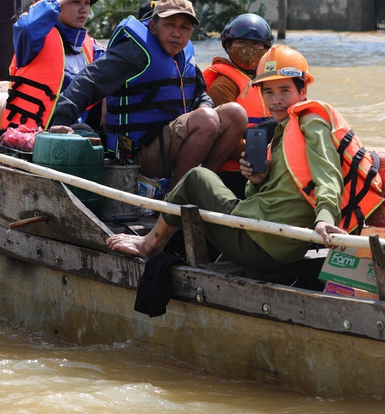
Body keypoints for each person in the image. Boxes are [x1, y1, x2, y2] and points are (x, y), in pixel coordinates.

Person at [106, 45, 349, 275]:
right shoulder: (283, 130)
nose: (276, 100)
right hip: (271, 237)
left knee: (195, 178)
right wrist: (257, 179)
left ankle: (150, 245)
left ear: (303, 91)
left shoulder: (312, 123)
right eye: (269, 92)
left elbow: (327, 174)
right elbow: (267, 195)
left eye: (285, 90)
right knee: (210, 183)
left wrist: (325, 218)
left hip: (263, 242)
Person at [48, 0, 248, 188]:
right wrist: (61, 119)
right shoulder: (134, 52)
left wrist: (204, 105)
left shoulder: (183, 55)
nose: (177, 33)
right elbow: (89, 81)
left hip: (176, 145)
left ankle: (201, 183)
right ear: (153, 26)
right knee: (207, 119)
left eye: (184, 27)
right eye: (170, 24)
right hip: (139, 154)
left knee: (235, 114)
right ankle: (174, 199)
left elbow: (199, 92)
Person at [3, 0, 105, 130]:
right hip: (30, 137)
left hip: (71, 134)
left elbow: (115, 66)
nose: (84, 9)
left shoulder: (89, 45)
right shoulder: (35, 39)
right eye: (75, 1)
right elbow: (26, 27)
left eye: (87, 3)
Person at [202, 13, 273, 197]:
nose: (249, 50)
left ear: (266, 49)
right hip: (235, 172)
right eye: (241, 44)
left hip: (263, 164)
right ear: (228, 46)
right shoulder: (224, 84)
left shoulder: (271, 82)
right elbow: (223, 137)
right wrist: (267, 156)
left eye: (256, 45)